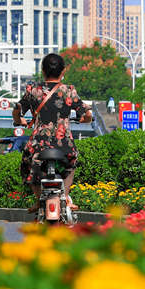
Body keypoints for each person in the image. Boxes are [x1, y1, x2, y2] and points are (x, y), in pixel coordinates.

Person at [12, 53, 93, 212]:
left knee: (27, 164)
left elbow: (18, 110)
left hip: (38, 145)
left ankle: (37, 200)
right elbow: (86, 113)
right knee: (71, 163)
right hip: (64, 144)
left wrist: (18, 119)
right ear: (63, 71)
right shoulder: (68, 90)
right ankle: (67, 198)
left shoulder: (33, 90)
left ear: (43, 71)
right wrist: (86, 119)